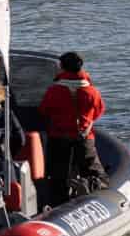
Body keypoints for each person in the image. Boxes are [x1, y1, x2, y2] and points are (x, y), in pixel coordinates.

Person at [38, 51, 109, 199]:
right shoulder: (92, 91)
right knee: (94, 172)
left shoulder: (54, 91)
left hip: (58, 137)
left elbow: (44, 110)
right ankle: (91, 189)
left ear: (62, 68)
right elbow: (99, 111)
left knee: (58, 174)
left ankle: (59, 200)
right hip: (84, 137)